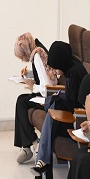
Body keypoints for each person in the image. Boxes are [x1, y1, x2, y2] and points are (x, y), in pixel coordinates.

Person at [29, 41, 87, 179]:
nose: (55, 71)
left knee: (51, 117)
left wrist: (56, 100)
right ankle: (42, 165)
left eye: (55, 67)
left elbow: (74, 104)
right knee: (51, 116)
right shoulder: (72, 66)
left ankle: (42, 167)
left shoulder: (74, 73)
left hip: (78, 121)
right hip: (73, 115)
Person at [13, 33, 57, 164]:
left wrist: (33, 87)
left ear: (26, 51)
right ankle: (27, 146)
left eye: (22, 56)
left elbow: (46, 87)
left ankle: (32, 143)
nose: (23, 60)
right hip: (47, 94)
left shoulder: (37, 57)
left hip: (48, 97)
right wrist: (29, 74)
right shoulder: (38, 51)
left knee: (21, 102)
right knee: (21, 101)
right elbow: (42, 73)